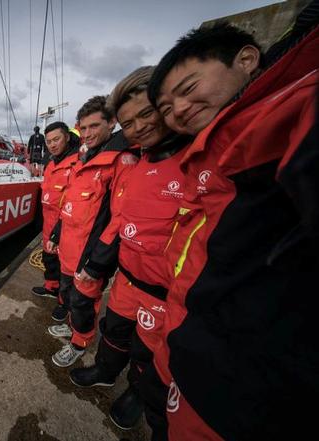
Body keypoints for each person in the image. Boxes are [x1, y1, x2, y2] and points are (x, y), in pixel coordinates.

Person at [143, 22, 317, 440]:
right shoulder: (205, 150)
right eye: (166, 108)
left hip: (241, 390)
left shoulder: (280, 112)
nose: (179, 110)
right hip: (186, 348)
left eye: (188, 88)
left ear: (246, 59)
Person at [68, 66, 192, 433]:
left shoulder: (195, 160)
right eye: (129, 121)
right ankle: (105, 372)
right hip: (126, 280)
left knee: (146, 353)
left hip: (163, 294)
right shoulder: (133, 163)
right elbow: (115, 220)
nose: (138, 127)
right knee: (113, 332)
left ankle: (137, 394)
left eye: (146, 114)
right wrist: (98, 265)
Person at [47, 96, 137, 368]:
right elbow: (70, 203)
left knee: (84, 302)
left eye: (93, 127)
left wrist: (97, 263)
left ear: (112, 123)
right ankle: (74, 326)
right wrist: (55, 235)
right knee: (68, 295)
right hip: (68, 247)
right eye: (82, 128)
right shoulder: (84, 157)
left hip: (89, 255)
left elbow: (119, 218)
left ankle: (80, 341)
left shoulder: (122, 161)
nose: (86, 134)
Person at [32, 122, 79, 322]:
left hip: (66, 226)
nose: (52, 145)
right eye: (49, 141)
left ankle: (64, 303)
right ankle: (51, 287)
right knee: (49, 260)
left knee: (66, 269)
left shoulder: (78, 162)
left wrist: (58, 231)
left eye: (56, 139)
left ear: (67, 137)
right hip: (48, 221)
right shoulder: (51, 163)